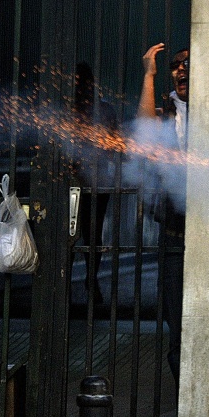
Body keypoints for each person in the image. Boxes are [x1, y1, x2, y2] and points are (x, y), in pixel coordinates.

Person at [137, 43, 189, 391]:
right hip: (174, 233)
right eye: (175, 65)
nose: (180, 70)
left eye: (187, 64)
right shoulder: (169, 108)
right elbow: (145, 134)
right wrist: (149, 75)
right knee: (178, 334)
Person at [73, 61, 118, 305]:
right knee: (90, 234)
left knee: (80, 234)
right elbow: (115, 145)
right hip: (89, 179)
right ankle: (91, 281)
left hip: (88, 179)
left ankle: (86, 281)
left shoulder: (70, 111)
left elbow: (115, 144)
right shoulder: (103, 110)